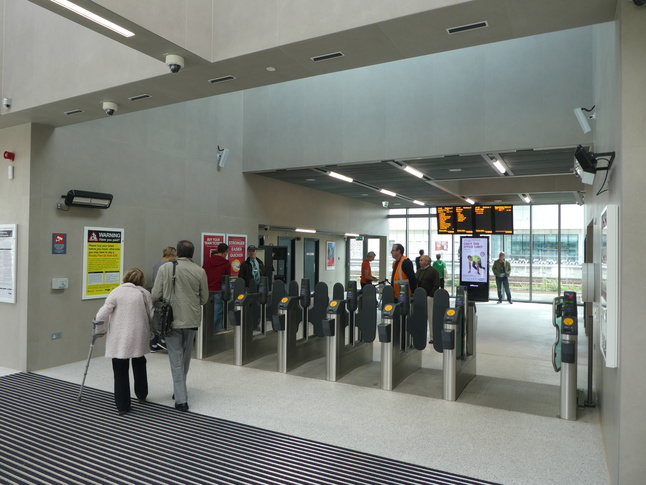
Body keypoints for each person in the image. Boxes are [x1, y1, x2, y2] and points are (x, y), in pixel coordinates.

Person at [152, 240, 209, 412]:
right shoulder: (200, 271)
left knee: (175, 357)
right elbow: (204, 298)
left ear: (177, 252)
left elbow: (155, 294)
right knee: (185, 356)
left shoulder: (165, 268)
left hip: (171, 320)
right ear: (192, 253)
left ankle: (181, 399)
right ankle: (180, 390)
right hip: (191, 319)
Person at [94, 268, 153, 416]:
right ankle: (141, 394)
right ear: (141, 280)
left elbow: (101, 314)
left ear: (125, 277)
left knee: (120, 368)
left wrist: (99, 330)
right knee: (139, 362)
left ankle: (122, 405)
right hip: (139, 334)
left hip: (120, 337)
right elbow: (151, 314)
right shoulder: (144, 293)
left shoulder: (116, 292)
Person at [150, 246, 176, 352]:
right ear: (170, 255)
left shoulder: (157, 264)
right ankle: (162, 341)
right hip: (165, 296)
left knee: (157, 319)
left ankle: (154, 343)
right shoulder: (168, 266)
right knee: (165, 320)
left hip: (156, 295)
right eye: (174, 256)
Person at [202, 243, 231, 331]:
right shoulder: (226, 263)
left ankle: (207, 332)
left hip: (207, 291)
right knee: (217, 314)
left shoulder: (208, 261)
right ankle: (214, 333)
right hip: (218, 291)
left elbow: (203, 274)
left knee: (207, 314)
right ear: (226, 252)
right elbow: (227, 279)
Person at [415, 255, 440, 344]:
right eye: (420, 260)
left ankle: (433, 336)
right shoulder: (419, 271)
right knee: (420, 317)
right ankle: (419, 334)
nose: (419, 261)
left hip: (429, 297)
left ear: (427, 262)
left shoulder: (433, 272)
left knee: (431, 316)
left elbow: (436, 285)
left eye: (421, 260)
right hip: (420, 297)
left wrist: (430, 295)